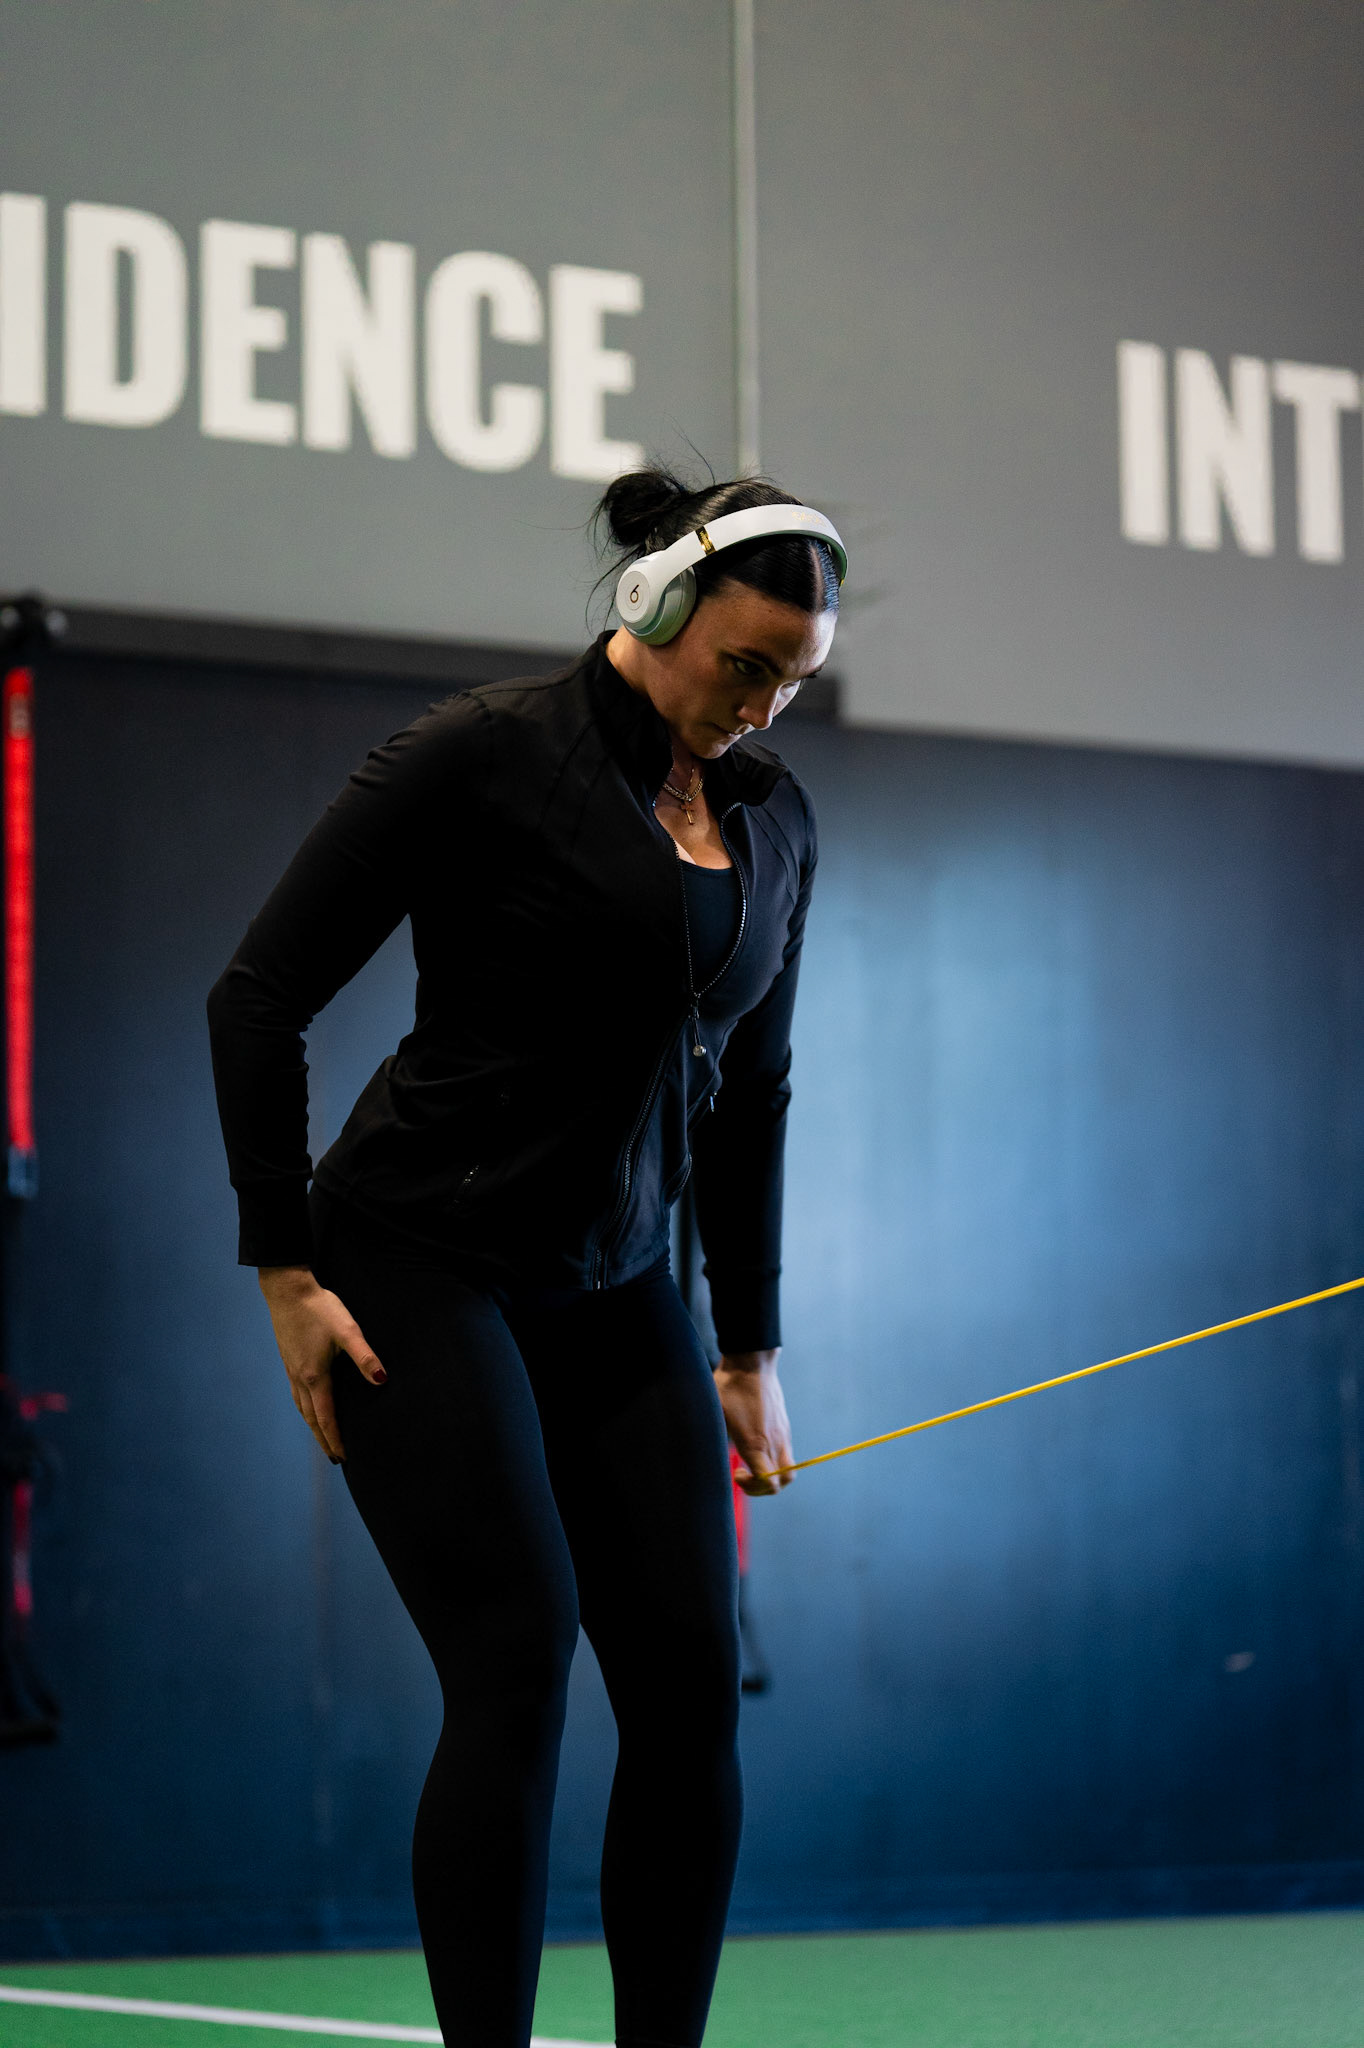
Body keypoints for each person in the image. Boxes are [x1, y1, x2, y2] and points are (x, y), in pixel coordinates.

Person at [206, 465, 845, 2048]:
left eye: (795, 679)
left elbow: (753, 1090)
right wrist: (285, 1271)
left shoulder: (773, 821)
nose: (764, 705)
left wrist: (747, 1348)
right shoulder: (485, 754)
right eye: (744, 664)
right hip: (419, 1260)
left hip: (622, 1286)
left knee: (690, 1686)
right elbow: (256, 998)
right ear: (656, 604)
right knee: (515, 1660)